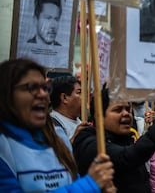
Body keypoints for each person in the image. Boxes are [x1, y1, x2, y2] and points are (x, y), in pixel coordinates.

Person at [0, 58, 115, 192]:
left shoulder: (58, 137)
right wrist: (89, 184)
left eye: (45, 88)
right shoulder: (3, 147)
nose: (43, 94)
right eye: (31, 87)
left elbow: (73, 181)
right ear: (6, 94)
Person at [72, 87, 155, 193]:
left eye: (128, 109)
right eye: (118, 109)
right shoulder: (89, 142)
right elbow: (125, 158)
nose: (126, 114)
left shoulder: (128, 139)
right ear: (99, 116)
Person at [50, 75, 86, 142]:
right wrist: (75, 138)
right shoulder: (52, 124)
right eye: (79, 92)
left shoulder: (80, 121)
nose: (84, 97)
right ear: (64, 98)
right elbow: (57, 151)